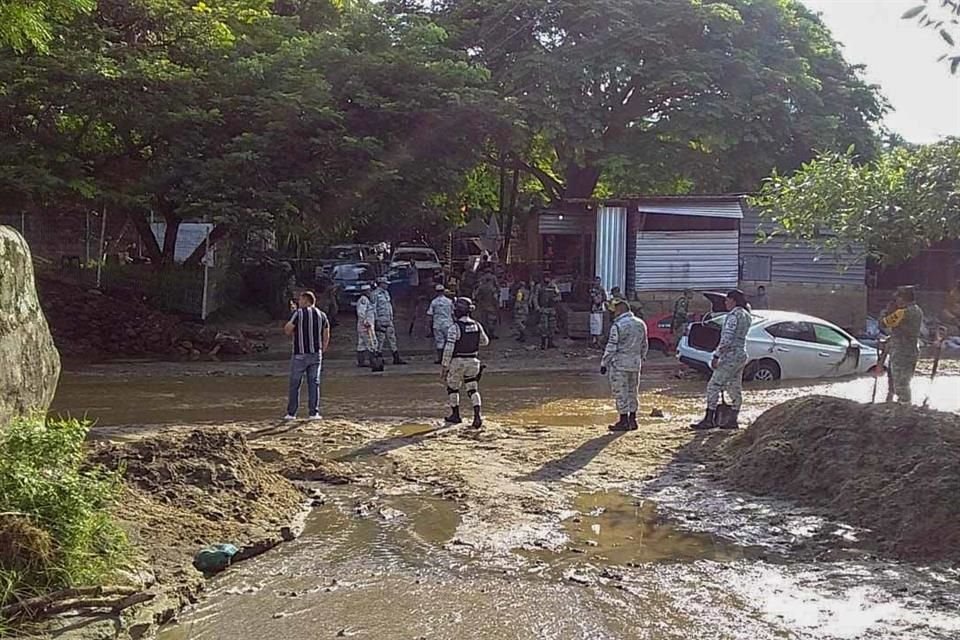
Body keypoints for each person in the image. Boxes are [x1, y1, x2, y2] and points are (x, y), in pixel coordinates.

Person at [691, 289, 752, 430]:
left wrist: (716, 355)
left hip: (730, 356)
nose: (725, 303)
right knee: (735, 387)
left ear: (733, 301)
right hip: (741, 354)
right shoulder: (746, 315)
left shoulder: (733, 316)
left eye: (727, 300)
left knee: (714, 385)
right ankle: (733, 419)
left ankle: (709, 419)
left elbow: (727, 339)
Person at [441, 297, 490, 429]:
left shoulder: (455, 328)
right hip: (473, 361)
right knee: (473, 389)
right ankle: (477, 416)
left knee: (453, 388)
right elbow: (485, 342)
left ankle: (455, 415)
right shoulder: (477, 325)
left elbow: (448, 349)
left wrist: (444, 367)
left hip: (457, 362)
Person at [600, 298, 648, 431]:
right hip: (635, 363)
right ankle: (633, 420)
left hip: (619, 364)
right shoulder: (641, 323)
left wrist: (604, 363)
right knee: (633, 392)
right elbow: (644, 344)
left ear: (619, 310)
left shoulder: (618, 325)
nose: (612, 313)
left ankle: (623, 421)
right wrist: (641, 358)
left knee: (621, 393)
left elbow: (611, 347)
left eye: (613, 311)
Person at [283, 291, 330, 420]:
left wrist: (292, 315)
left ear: (306, 300)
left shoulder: (299, 313)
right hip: (316, 353)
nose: (299, 302)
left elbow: (287, 330)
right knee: (314, 383)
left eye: (300, 300)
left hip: (300, 353)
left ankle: (291, 413)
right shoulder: (322, 315)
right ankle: (314, 413)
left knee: (295, 383)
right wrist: (322, 349)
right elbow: (326, 334)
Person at [880, 285, 924, 403]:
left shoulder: (902, 312)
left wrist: (885, 312)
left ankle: (903, 406)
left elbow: (884, 323)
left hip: (901, 350)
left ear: (903, 298)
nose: (896, 301)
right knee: (905, 380)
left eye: (898, 298)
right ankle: (902, 403)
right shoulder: (918, 310)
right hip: (912, 349)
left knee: (900, 382)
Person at [372, 276, 407, 365]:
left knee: (392, 338)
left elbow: (388, 305)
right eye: (385, 284)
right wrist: (376, 321)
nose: (387, 285)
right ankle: (378, 358)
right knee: (380, 339)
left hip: (388, 319)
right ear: (381, 284)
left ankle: (396, 357)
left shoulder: (386, 293)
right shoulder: (375, 294)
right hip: (381, 320)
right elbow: (373, 308)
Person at [427, 283, 454, 364]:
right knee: (449, 341)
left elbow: (430, 314)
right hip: (448, 323)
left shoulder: (434, 302)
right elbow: (453, 313)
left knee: (439, 342)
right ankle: (449, 358)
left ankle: (440, 359)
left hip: (437, 324)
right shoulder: (449, 301)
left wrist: (430, 327)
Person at [533, 274, 561, 350]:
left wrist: (555, 299)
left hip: (552, 309)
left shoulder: (554, 286)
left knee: (552, 327)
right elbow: (535, 297)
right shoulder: (539, 286)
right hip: (543, 309)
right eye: (546, 277)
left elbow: (559, 296)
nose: (547, 279)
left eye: (548, 277)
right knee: (544, 327)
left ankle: (550, 343)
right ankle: (543, 343)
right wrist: (537, 307)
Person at [355, 284, 378, 367]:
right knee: (371, 343)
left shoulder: (368, 300)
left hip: (365, 325)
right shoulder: (363, 300)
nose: (370, 292)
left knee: (362, 344)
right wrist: (366, 322)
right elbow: (361, 313)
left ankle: (361, 361)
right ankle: (374, 361)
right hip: (366, 326)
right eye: (369, 291)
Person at [474, 274, 500, 339]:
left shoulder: (481, 287)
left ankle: (485, 333)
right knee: (491, 321)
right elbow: (495, 298)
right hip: (491, 306)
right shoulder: (493, 289)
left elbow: (476, 295)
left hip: (482, 306)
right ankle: (491, 334)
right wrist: (497, 305)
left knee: (483, 320)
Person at [671, 289, 693, 353]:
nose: (692, 295)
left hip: (681, 321)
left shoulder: (684, 300)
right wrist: (687, 315)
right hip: (680, 321)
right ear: (687, 294)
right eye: (691, 293)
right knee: (680, 336)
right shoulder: (683, 301)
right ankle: (677, 350)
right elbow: (680, 311)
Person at [589, 277, 608, 348]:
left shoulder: (601, 289)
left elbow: (604, 298)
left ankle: (598, 341)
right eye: (596, 281)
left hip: (600, 309)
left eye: (599, 281)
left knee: (599, 325)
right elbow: (593, 299)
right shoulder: (592, 290)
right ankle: (594, 340)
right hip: (594, 309)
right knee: (594, 325)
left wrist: (602, 303)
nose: (598, 283)